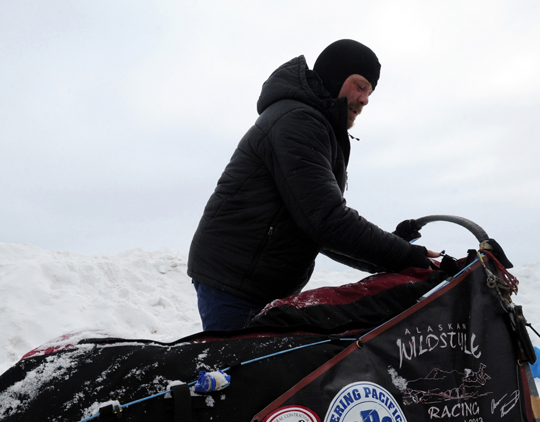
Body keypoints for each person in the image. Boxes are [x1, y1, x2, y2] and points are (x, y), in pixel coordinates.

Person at [188, 39, 438, 331]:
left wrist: (395, 254)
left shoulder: (316, 125)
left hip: (256, 284)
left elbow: (317, 227)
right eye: (359, 86)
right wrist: (406, 257)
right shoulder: (297, 121)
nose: (365, 99)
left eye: (370, 92)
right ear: (335, 76)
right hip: (233, 283)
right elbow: (326, 220)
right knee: (242, 375)